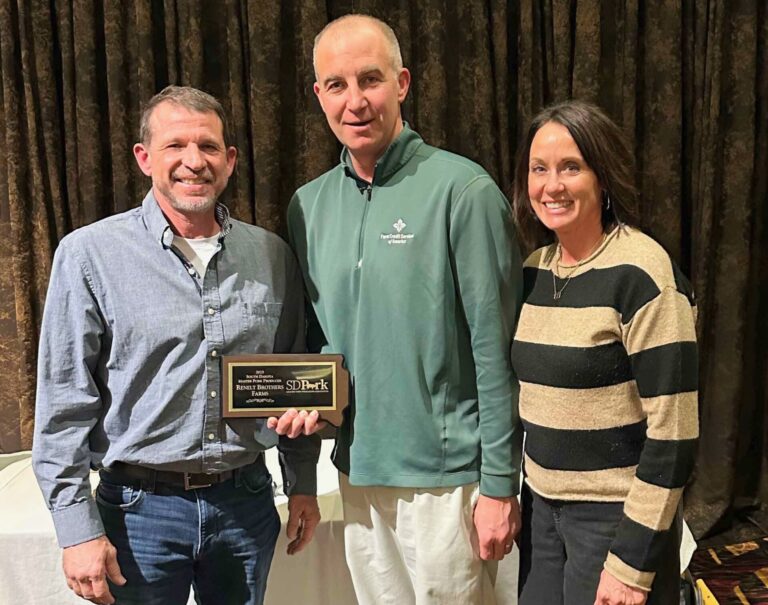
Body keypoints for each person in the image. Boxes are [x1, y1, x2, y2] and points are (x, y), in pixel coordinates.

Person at [32, 85, 321, 605]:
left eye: (209, 147)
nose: (194, 162)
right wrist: (77, 530)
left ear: (230, 160)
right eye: (176, 146)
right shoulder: (88, 256)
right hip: (138, 512)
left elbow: (293, 376)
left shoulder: (272, 256)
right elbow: (62, 408)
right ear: (145, 158)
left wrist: (302, 481)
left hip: (247, 503)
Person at [277, 14, 523, 605]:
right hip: (357, 472)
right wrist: (303, 474)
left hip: (448, 481)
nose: (355, 101)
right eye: (336, 84)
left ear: (403, 83)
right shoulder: (307, 207)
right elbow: (313, 351)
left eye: (371, 79)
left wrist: (499, 484)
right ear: (318, 95)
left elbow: (497, 354)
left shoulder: (463, 191)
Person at [510, 100, 699, 605]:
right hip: (542, 513)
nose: (552, 186)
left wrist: (633, 562)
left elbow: (675, 434)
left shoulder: (643, 272)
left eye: (571, 167)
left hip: (616, 518)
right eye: (539, 169)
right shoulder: (532, 270)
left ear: (603, 176)